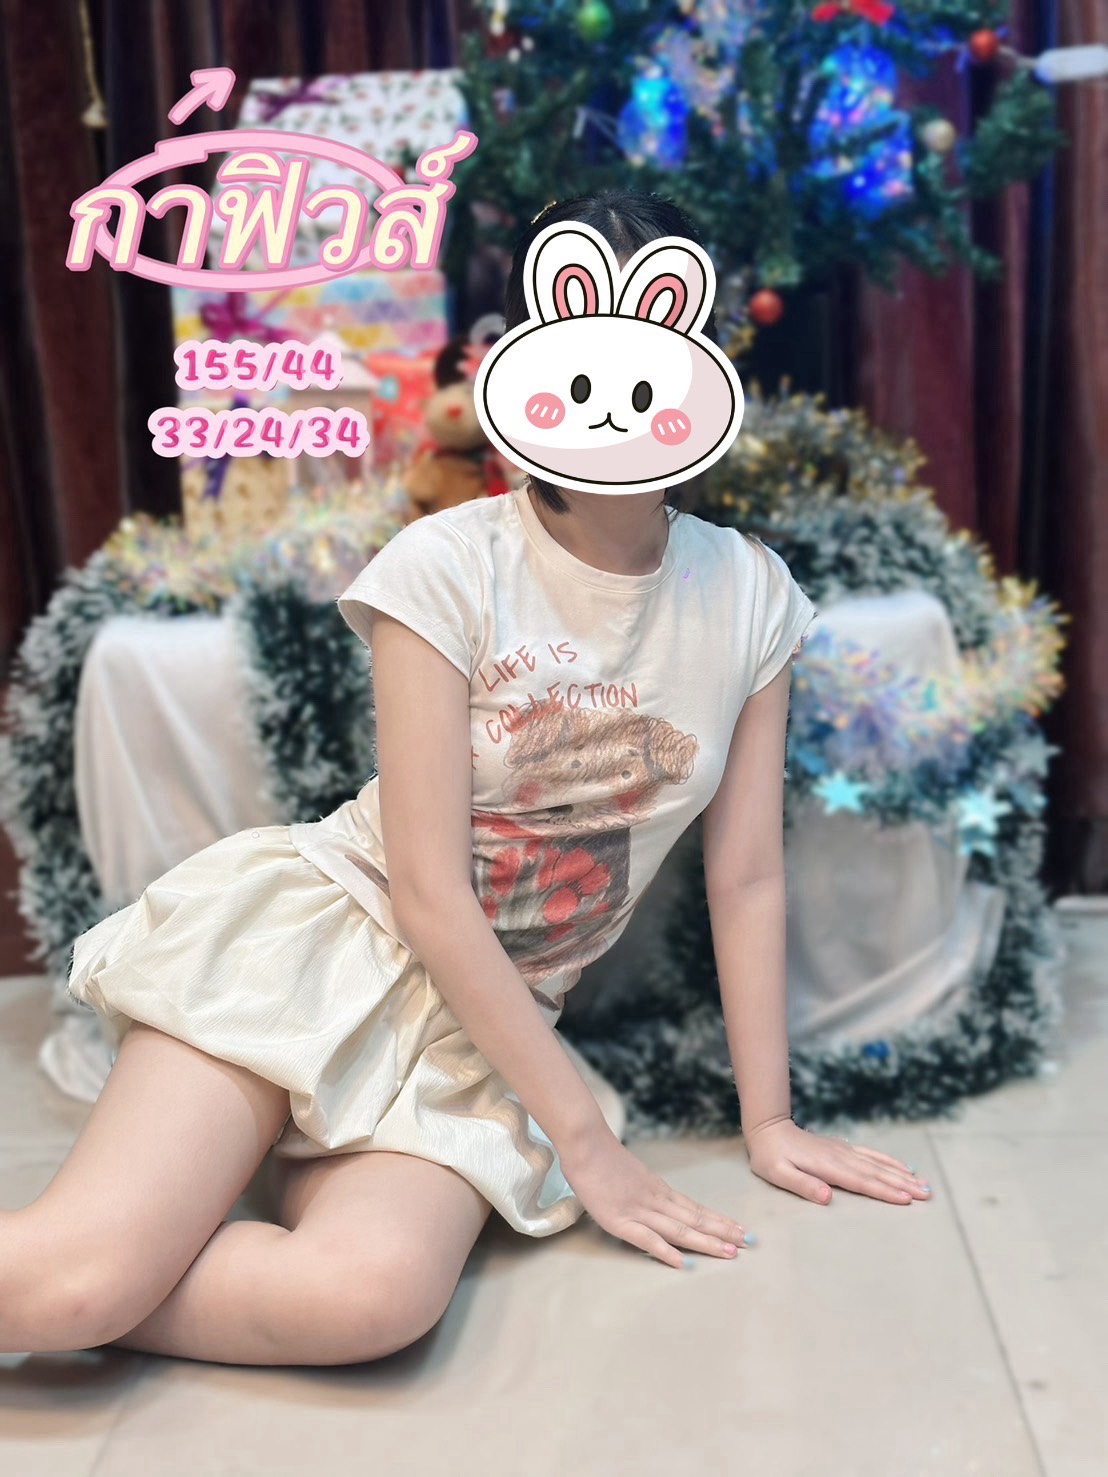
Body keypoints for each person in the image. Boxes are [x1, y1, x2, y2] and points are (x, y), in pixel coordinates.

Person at [0, 190, 930, 1370]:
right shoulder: (448, 564)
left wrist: (769, 1119)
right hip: (329, 938)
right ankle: (112, 1258)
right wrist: (585, 1140)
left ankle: (146, 1245)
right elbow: (430, 893)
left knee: (367, 1303)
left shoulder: (750, 594)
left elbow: (745, 875)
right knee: (77, 1287)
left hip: (484, 1029)